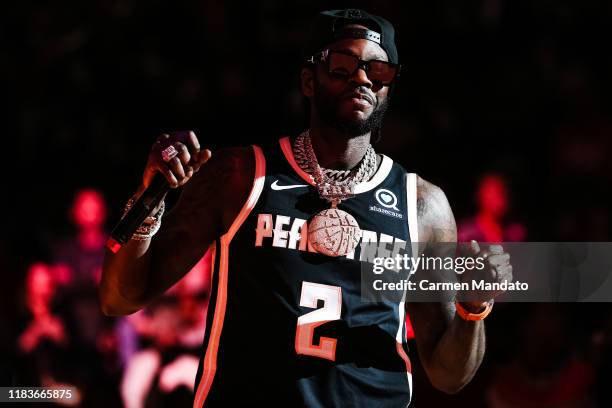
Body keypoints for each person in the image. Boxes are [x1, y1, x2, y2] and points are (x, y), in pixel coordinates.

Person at [101, 9, 513, 407]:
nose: (362, 79)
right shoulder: (242, 175)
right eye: (342, 65)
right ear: (308, 80)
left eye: (379, 70)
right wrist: (151, 195)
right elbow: (120, 299)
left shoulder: (423, 206)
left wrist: (473, 310)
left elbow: (448, 375)